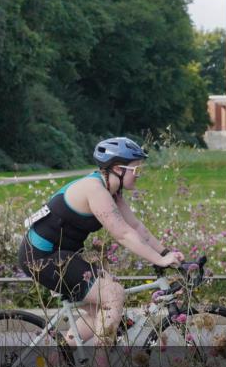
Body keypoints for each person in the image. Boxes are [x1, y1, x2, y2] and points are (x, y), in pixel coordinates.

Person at [17, 137, 183, 346]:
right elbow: (122, 234)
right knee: (113, 295)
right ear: (117, 169)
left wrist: (166, 252)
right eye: (136, 169)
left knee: (101, 309)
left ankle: (62, 356)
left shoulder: (112, 191)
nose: (139, 174)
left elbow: (136, 227)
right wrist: (160, 261)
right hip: (42, 257)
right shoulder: (95, 190)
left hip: (63, 255)